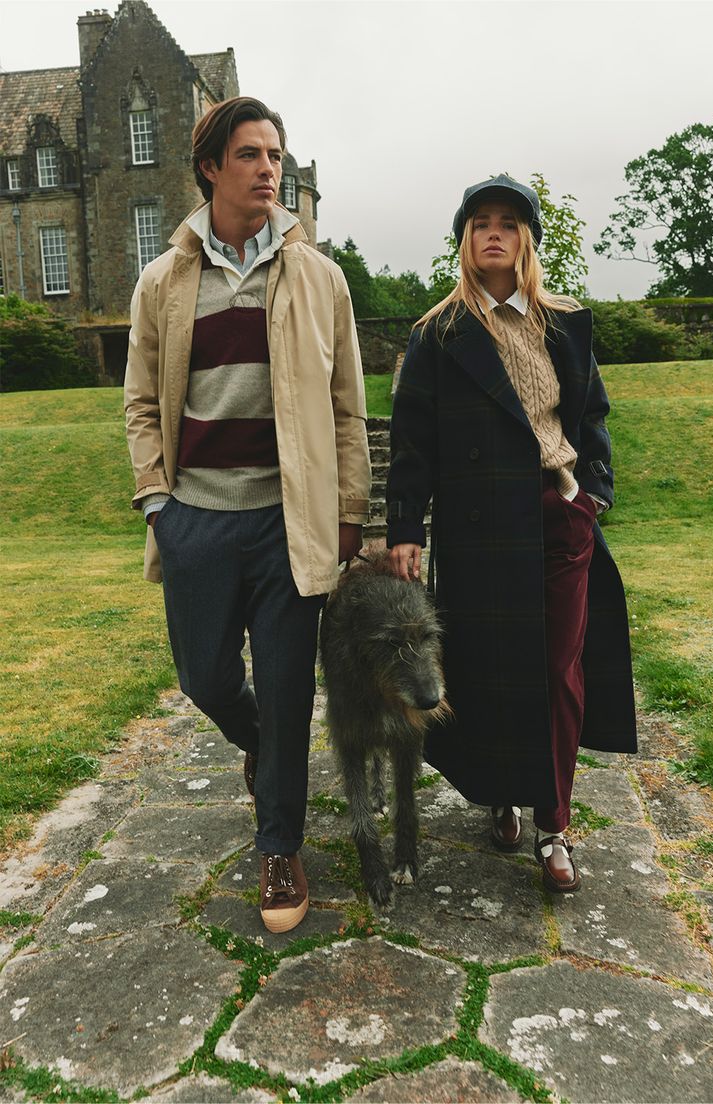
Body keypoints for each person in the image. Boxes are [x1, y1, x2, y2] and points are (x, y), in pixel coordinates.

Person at [124, 96, 371, 932]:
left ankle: (279, 847)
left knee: (290, 689)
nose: (270, 169)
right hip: (196, 517)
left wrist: (348, 514)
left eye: (276, 155)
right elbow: (139, 405)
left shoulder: (319, 276)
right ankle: (267, 757)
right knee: (203, 678)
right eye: (251, 155)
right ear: (209, 168)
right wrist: (159, 503)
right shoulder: (162, 281)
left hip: (285, 521)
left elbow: (346, 408)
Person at [386, 174, 636, 893]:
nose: (493, 232)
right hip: (481, 525)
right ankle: (501, 793)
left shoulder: (566, 322)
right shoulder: (438, 334)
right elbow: (413, 441)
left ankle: (554, 825)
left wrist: (594, 492)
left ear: (526, 237)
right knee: (489, 667)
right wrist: (406, 526)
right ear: (465, 240)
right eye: (479, 222)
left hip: (559, 517)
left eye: (508, 221)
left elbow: (590, 419)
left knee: (557, 669)